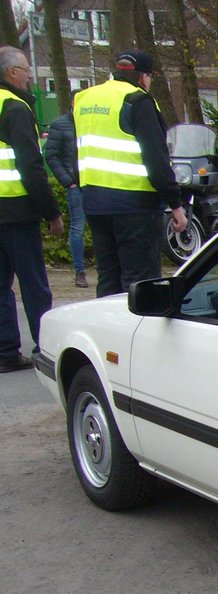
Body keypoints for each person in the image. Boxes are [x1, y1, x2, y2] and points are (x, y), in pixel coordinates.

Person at [74, 50, 186, 298]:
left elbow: (77, 150)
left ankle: (107, 323)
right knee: (140, 282)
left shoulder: (85, 98)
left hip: (95, 202)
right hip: (136, 206)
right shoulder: (138, 101)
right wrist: (175, 204)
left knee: (108, 277)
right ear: (144, 77)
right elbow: (156, 159)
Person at [0, 46, 63, 374]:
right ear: (12, 73)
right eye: (26, 70)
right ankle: (45, 346)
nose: (28, 76)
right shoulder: (15, 107)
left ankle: (5, 352)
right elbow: (30, 165)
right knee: (34, 283)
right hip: (17, 211)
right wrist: (51, 212)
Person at [43, 96, 89, 287]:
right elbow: (51, 155)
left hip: (93, 184)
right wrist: (68, 182)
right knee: (78, 227)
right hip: (76, 185)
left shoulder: (90, 123)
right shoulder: (60, 125)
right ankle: (80, 272)